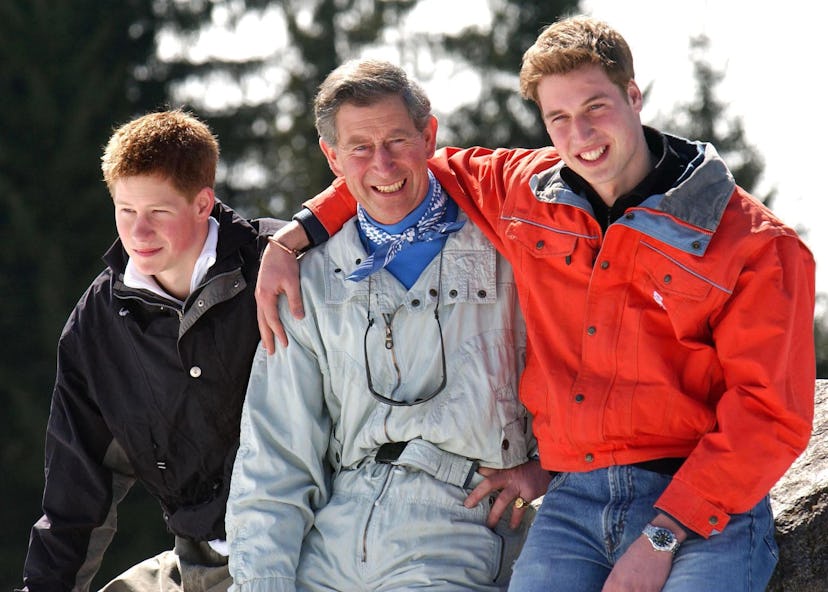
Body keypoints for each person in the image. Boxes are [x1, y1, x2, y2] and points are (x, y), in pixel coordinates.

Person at [255, 16, 816, 592]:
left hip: (700, 502)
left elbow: (770, 415)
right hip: (573, 499)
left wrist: (663, 536)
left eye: (596, 108)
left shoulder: (754, 244)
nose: (581, 135)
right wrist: (293, 236)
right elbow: (400, 167)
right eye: (559, 119)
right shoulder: (524, 191)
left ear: (633, 96)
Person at [225, 59, 550, 592]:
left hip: (460, 521)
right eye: (359, 148)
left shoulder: (507, 248)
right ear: (332, 157)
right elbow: (276, 457)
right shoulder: (306, 282)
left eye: (398, 140)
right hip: (334, 529)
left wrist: (546, 470)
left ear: (429, 136)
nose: (382, 164)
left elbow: (582, 372)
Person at [18, 110, 283, 592]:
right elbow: (77, 489)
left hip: (311, 544)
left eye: (158, 213)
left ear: (203, 204)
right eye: (125, 211)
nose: (138, 233)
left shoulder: (279, 266)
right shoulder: (97, 327)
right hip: (199, 558)